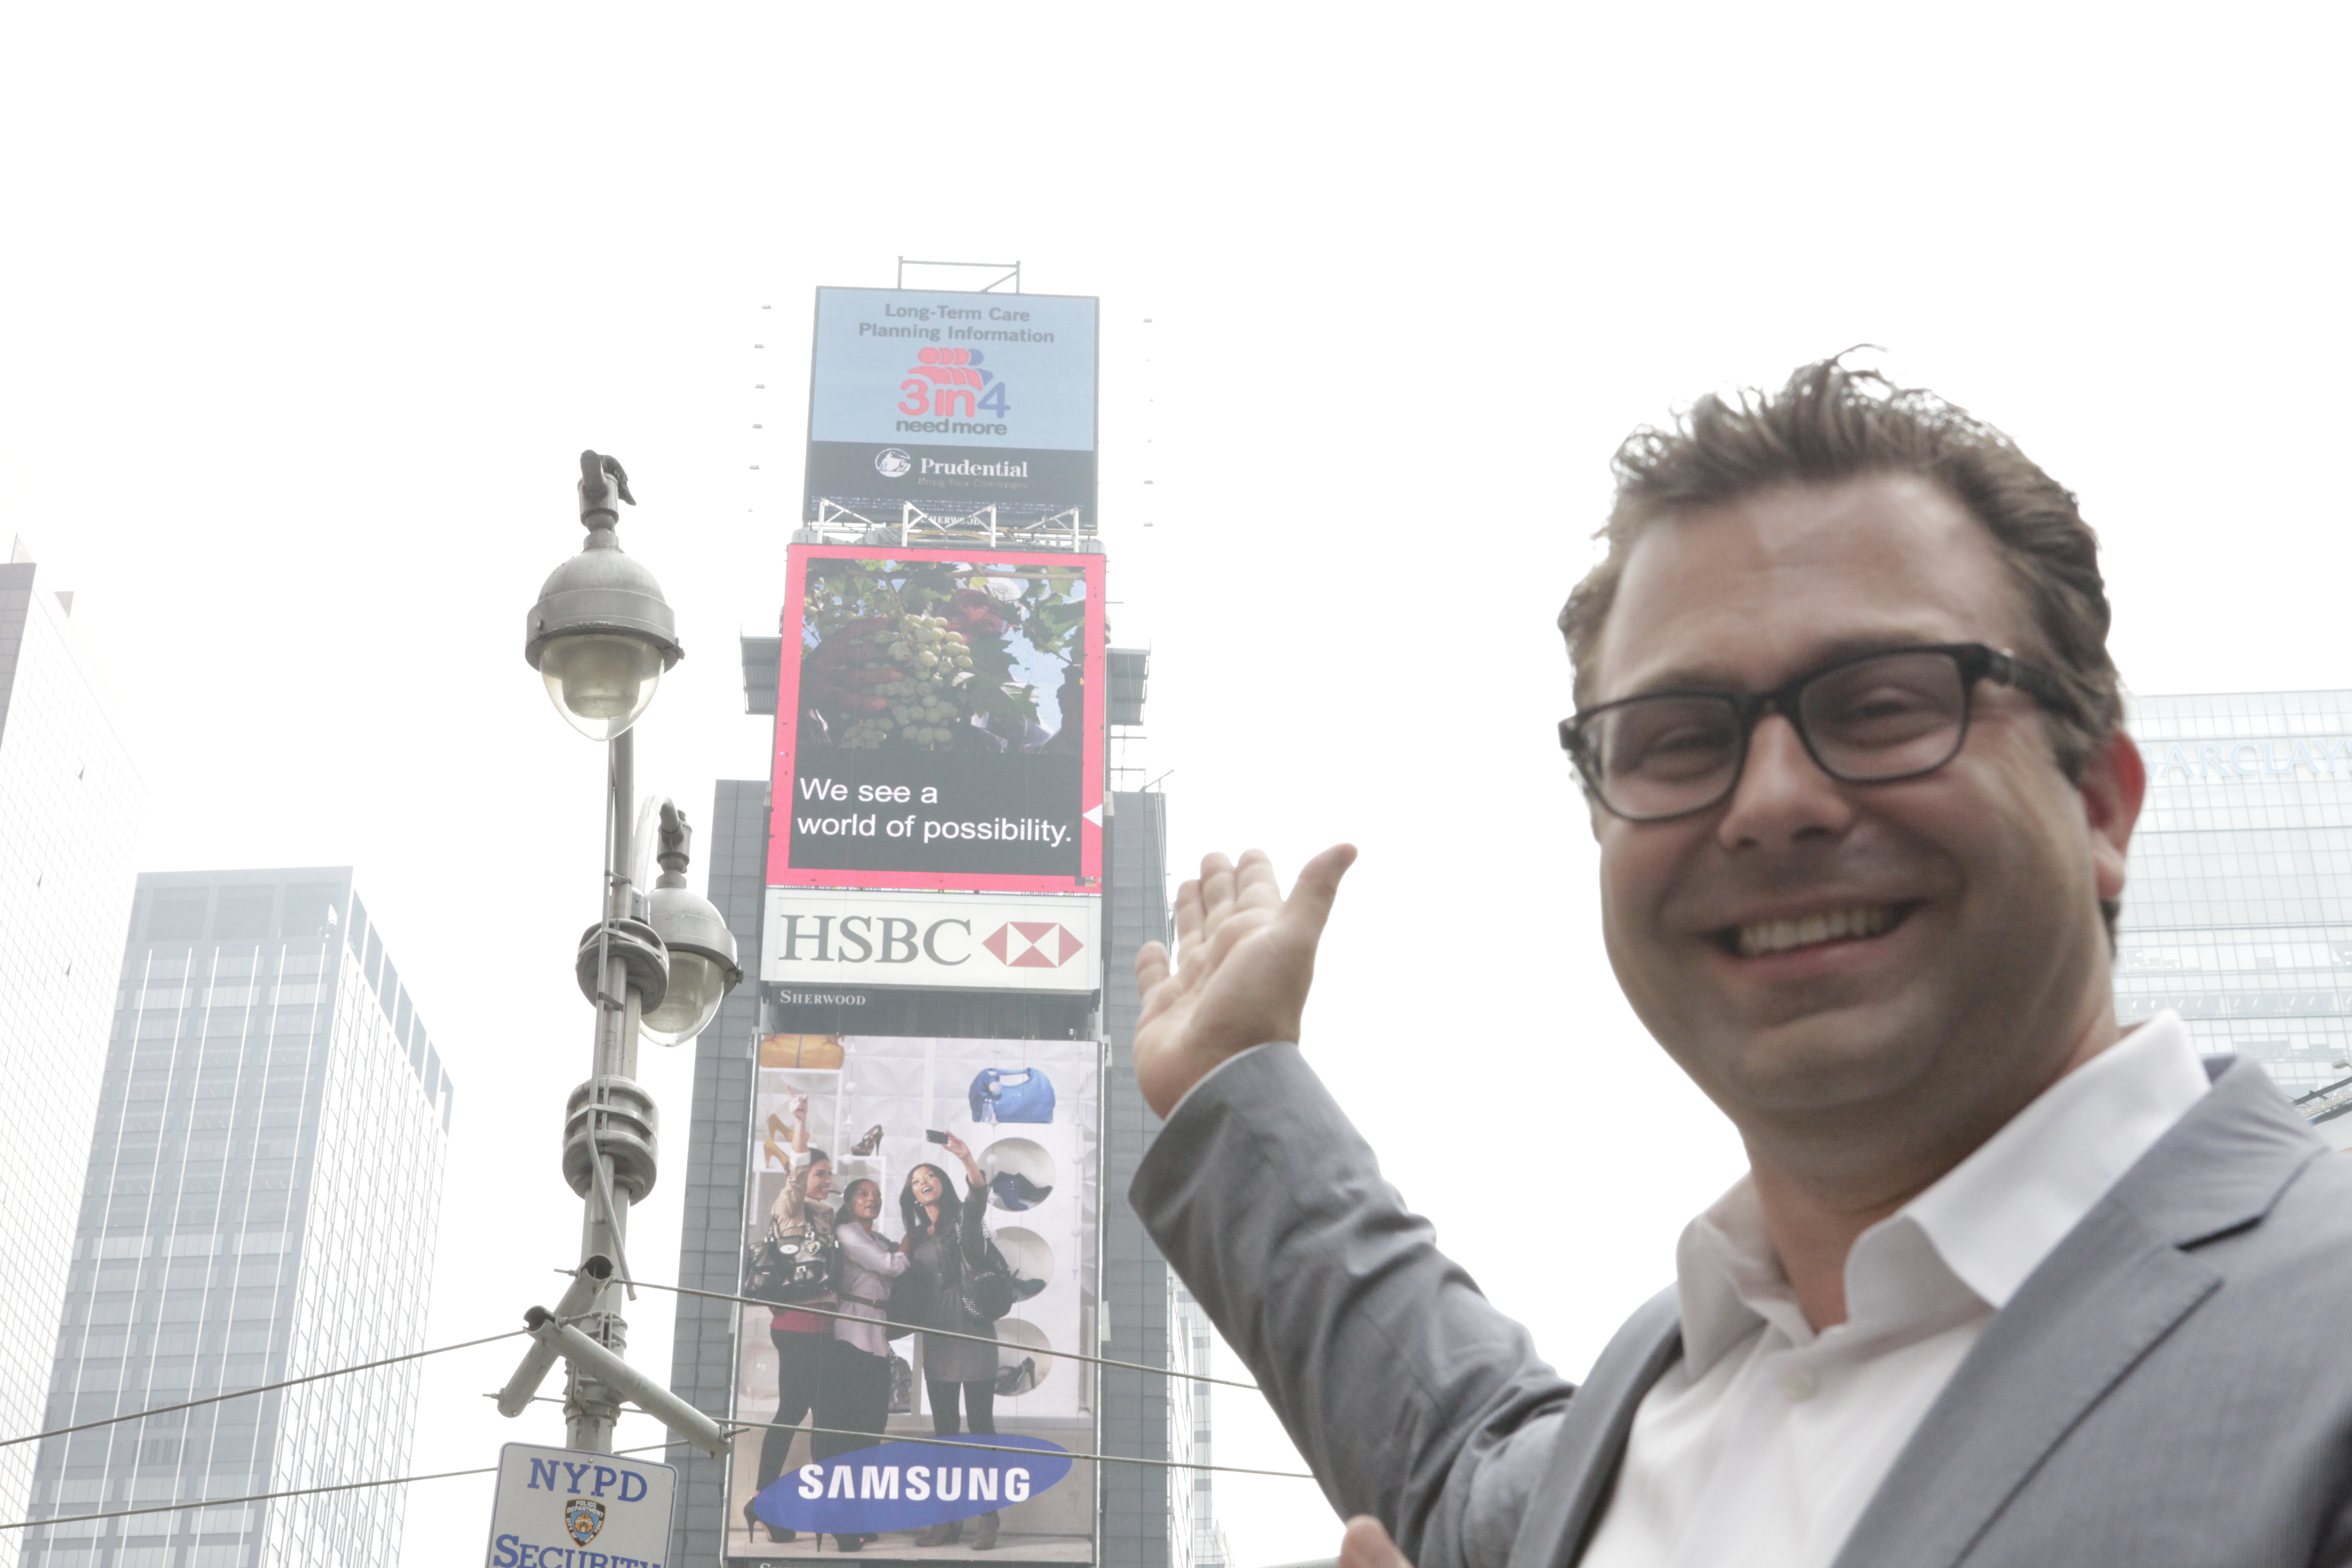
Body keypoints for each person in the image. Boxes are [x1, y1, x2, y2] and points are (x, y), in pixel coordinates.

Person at [1128, 358, 2352, 1568]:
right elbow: (1452, 1452)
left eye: (1882, 705)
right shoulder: (1636, 1426)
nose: (1772, 802)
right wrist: (1237, 1080)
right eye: (1677, 739)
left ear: (2100, 807)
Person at [899, 1138, 1003, 1552]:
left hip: (973, 1330)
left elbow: (979, 1193)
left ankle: (988, 1517)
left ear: (942, 1182)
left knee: (980, 1428)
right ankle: (948, 1521)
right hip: (937, 1335)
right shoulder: (913, 1236)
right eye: (915, 1181)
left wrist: (964, 1156)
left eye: (929, 1177)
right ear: (911, 1194)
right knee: (945, 1432)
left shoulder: (964, 1219)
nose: (923, 1182)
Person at [742, 1095, 837, 1548]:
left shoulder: (825, 1216)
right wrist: (801, 1121)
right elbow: (797, 1169)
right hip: (798, 1324)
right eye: (822, 1173)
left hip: (821, 1327)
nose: (827, 1181)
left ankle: (780, 1505)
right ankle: (767, 1499)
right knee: (798, 1411)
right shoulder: (791, 1204)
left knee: (813, 1413)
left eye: (830, 1175)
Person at [819, 1176, 910, 1554]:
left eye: (876, 1195)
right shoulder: (846, 1233)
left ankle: (858, 1517)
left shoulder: (877, 1240)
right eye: (863, 1194)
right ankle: (842, 1522)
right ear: (851, 1201)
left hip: (877, 1341)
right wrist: (906, 1248)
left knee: (871, 1433)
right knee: (848, 1435)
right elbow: (891, 1267)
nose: (872, 1199)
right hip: (849, 1338)